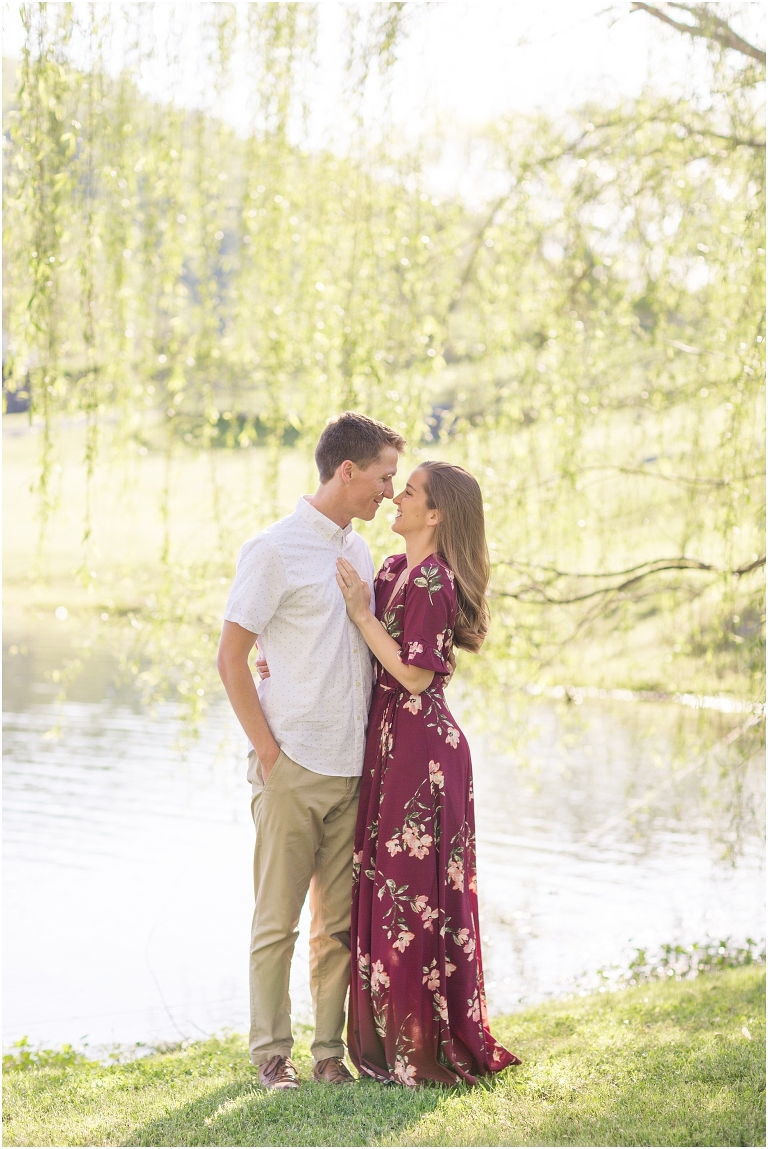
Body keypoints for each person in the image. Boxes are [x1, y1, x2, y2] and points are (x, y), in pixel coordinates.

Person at [217, 412, 405, 1090]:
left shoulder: (359, 551)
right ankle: (273, 1054)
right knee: (278, 922)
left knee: (338, 926)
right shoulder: (273, 549)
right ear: (346, 471)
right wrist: (270, 755)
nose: (390, 491)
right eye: (383, 477)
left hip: (353, 768)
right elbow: (232, 658)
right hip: (293, 765)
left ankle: (328, 1055)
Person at [334, 461, 521, 1086]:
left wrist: (362, 616)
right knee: (385, 888)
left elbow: (414, 675)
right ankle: (390, 1042)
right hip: (388, 744)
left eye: (408, 492)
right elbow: (356, 649)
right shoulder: (392, 571)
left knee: (416, 895)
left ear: (434, 515)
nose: (396, 497)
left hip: (424, 752)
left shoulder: (434, 580)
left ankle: (424, 1044)